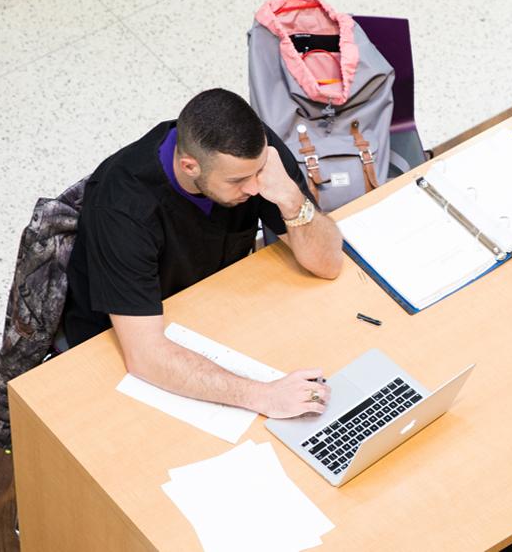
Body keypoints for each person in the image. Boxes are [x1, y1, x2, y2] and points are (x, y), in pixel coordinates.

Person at [63, 88, 345, 419]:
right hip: (121, 339)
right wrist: (264, 396)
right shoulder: (123, 206)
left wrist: (291, 199)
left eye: (258, 174)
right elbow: (145, 357)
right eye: (239, 181)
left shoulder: (254, 154)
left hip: (213, 313)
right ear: (190, 166)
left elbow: (329, 263)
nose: (255, 189)